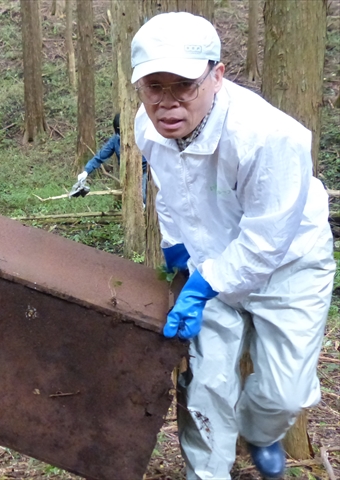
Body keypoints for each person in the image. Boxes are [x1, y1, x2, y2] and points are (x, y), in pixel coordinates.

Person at [131, 12, 335, 480]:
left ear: (217, 76)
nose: (167, 102)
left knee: (284, 394)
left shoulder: (268, 137)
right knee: (207, 385)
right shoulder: (148, 126)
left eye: (184, 86)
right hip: (207, 256)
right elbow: (169, 188)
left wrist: (206, 284)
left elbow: (267, 239)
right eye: (154, 87)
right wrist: (177, 249)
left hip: (290, 264)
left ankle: (261, 432)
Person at [73, 113, 147, 200]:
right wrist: (86, 172)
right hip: (128, 174)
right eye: (119, 133)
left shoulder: (141, 136)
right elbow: (99, 157)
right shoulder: (115, 140)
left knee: (143, 197)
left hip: (146, 171)